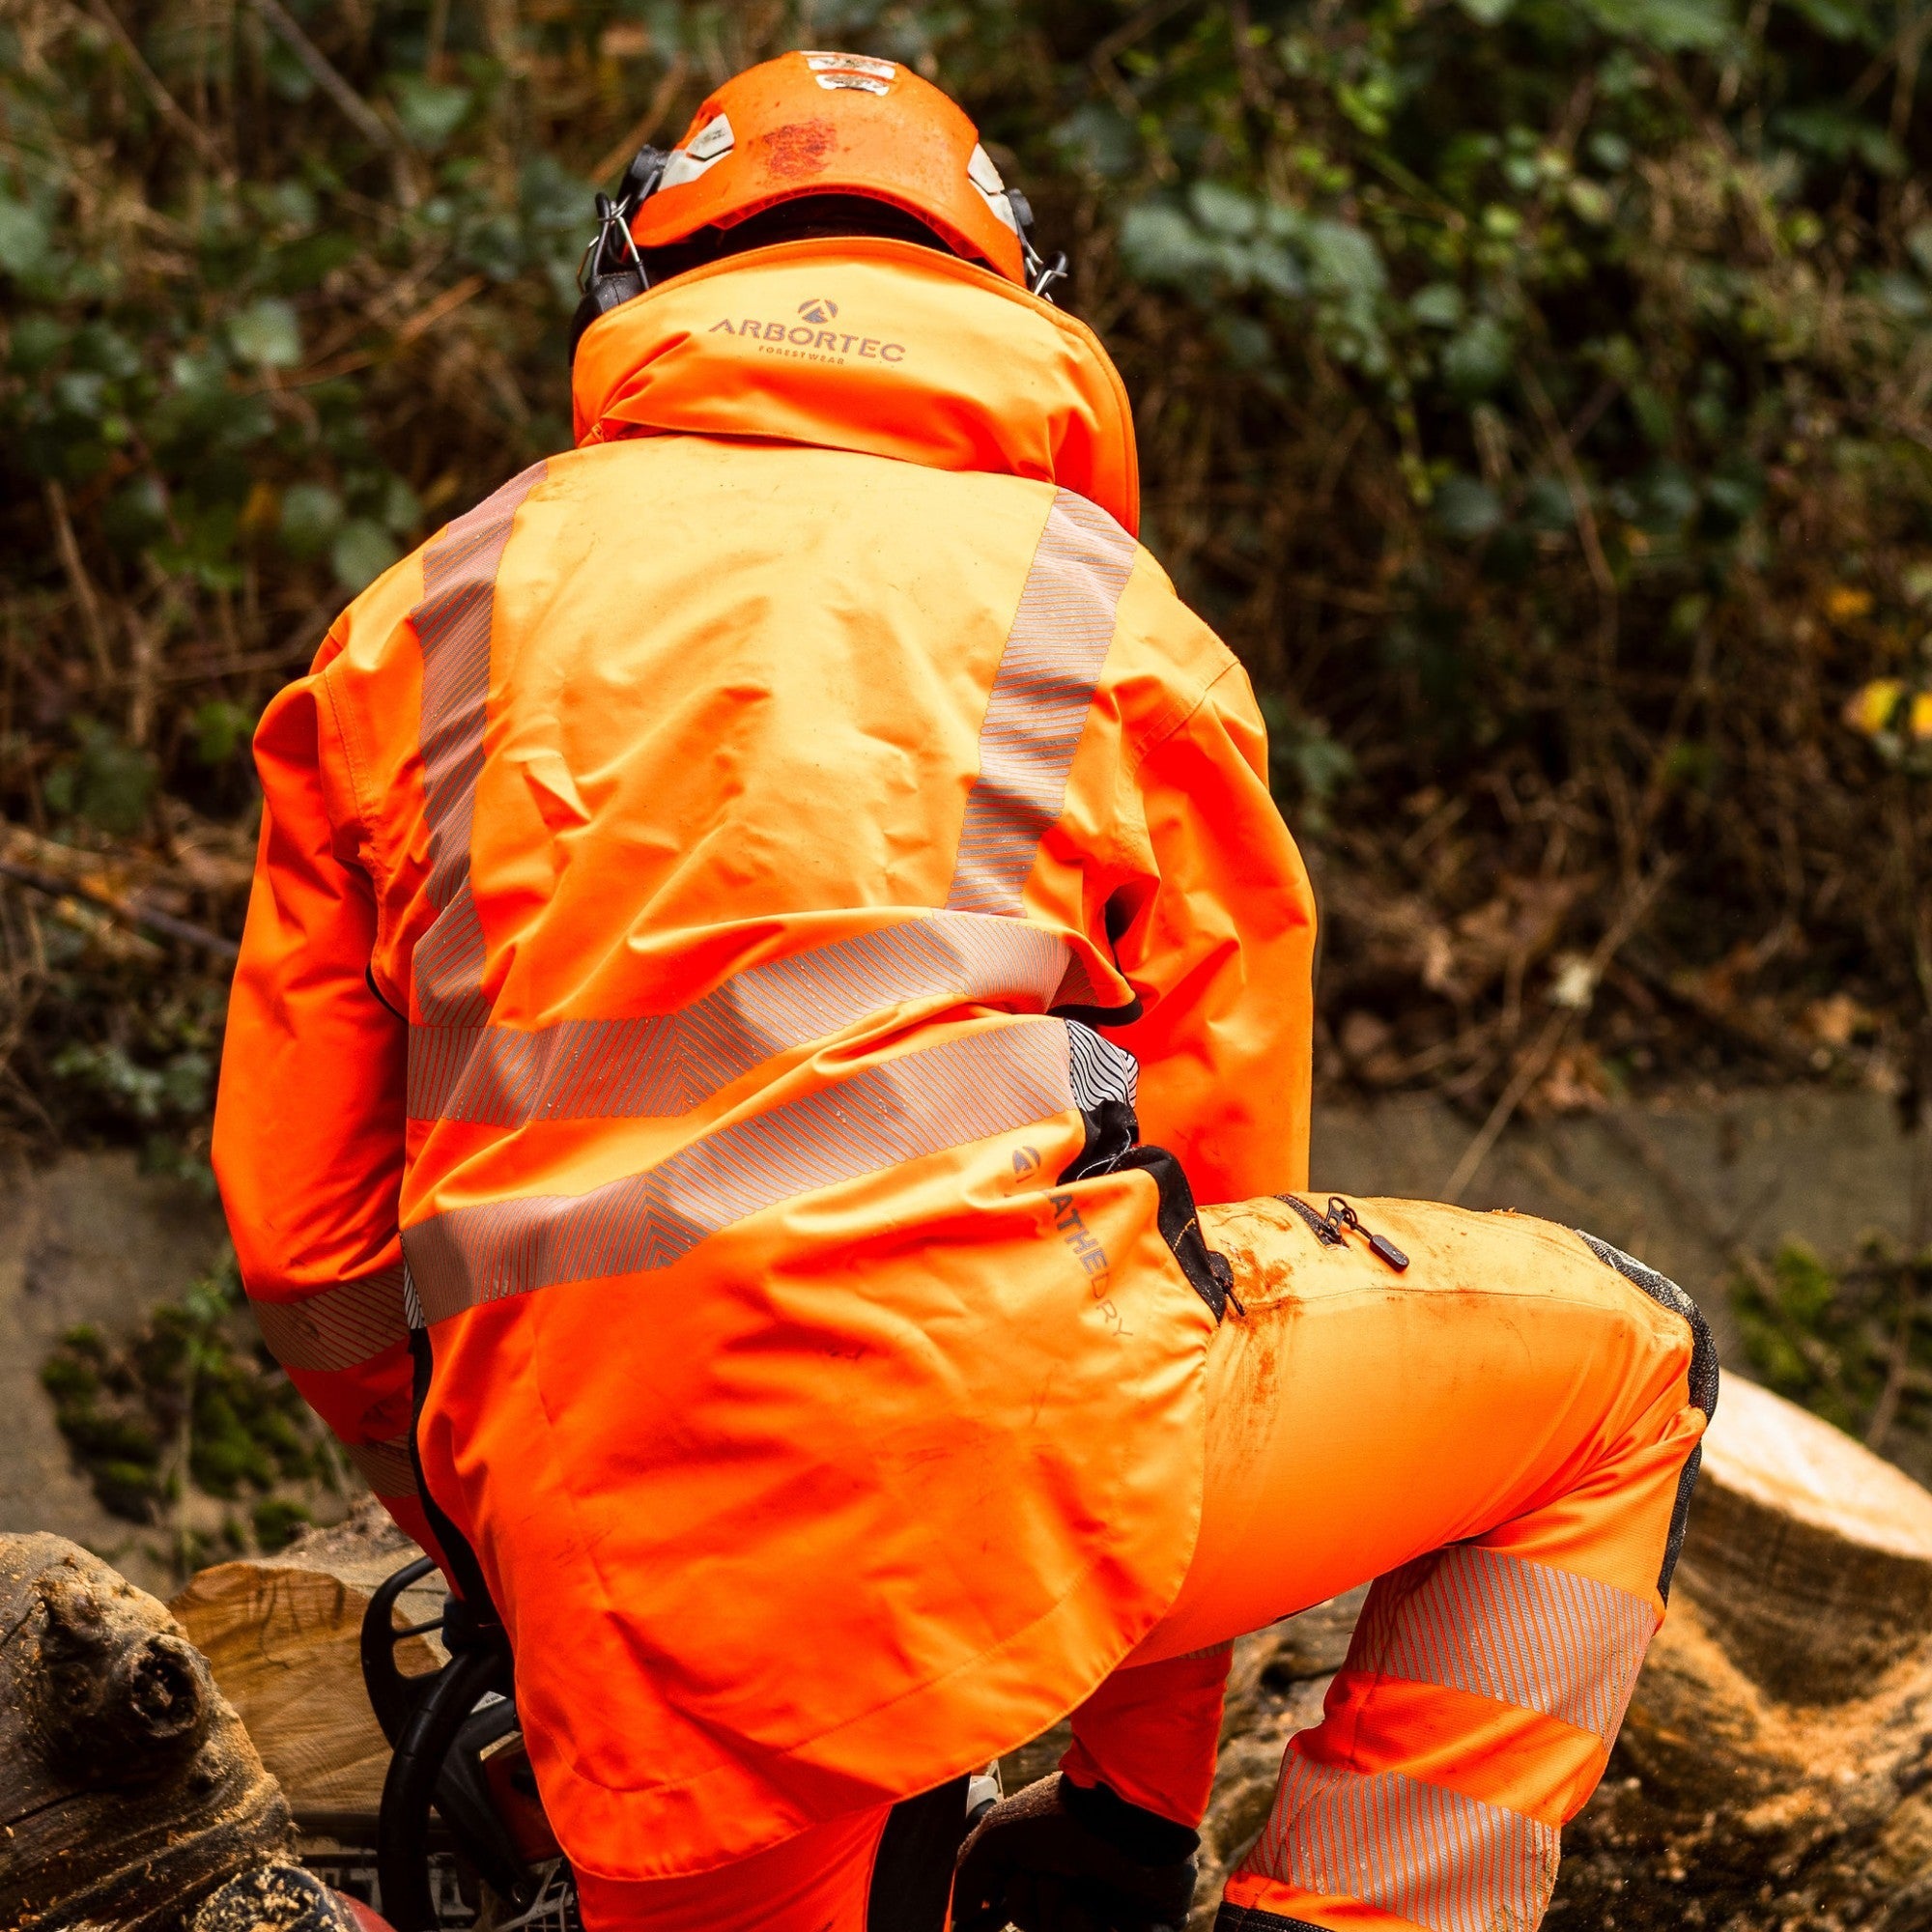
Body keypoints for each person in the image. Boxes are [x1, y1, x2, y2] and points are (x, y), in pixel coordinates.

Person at [213, 49, 1716, 1932]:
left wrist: (507, 1555)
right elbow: (1209, 1221)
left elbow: (306, 1245)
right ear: (1017, 305)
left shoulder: (416, 619)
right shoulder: (1100, 615)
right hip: (1011, 1470)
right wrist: (1129, 1809)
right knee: (1619, 1367)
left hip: (616, 1575)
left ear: (629, 292)